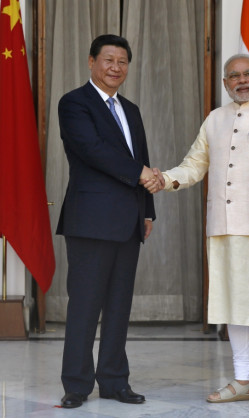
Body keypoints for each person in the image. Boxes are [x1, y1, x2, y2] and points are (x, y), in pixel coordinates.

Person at [146, 53, 249, 412]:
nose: (241, 80)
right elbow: (194, 164)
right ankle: (243, 379)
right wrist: (166, 179)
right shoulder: (215, 119)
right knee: (234, 303)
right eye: (234, 76)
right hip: (225, 228)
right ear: (225, 84)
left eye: (247, 74)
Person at [56, 34, 157, 410]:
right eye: (108, 60)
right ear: (91, 62)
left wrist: (147, 210)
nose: (116, 68)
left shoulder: (130, 109)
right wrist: (143, 174)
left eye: (122, 62)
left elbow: (140, 155)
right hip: (91, 221)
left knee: (118, 306)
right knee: (85, 305)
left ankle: (115, 381)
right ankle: (77, 385)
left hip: (130, 220)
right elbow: (93, 151)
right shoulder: (74, 103)